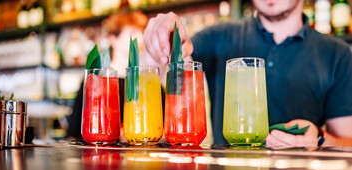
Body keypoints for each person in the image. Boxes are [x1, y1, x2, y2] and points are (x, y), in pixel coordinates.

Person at [143, 0, 352, 147]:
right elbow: (165, 70)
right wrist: (160, 41)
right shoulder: (219, 35)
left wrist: (320, 139)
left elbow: (347, 142)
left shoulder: (337, 55)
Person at [67, 11, 159, 139]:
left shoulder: (148, 81)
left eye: (141, 32)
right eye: (132, 33)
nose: (140, 37)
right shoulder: (96, 81)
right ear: (113, 39)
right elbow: (74, 132)